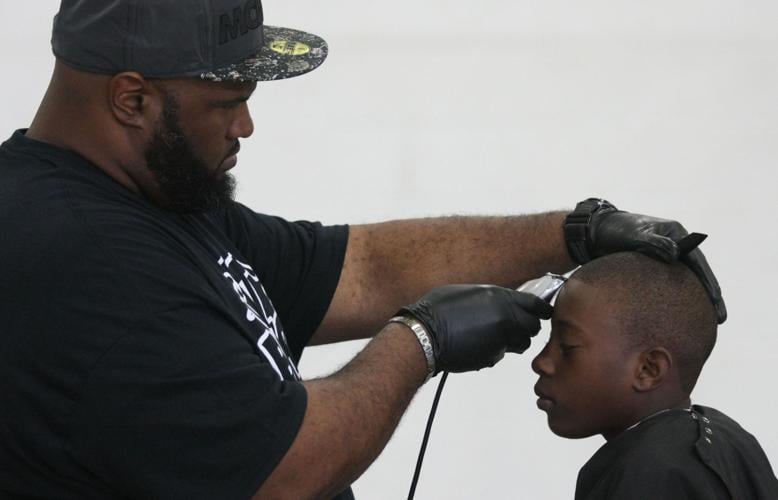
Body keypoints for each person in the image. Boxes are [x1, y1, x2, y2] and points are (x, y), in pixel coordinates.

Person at [0, 1, 725, 499]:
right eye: (226, 103)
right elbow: (281, 472)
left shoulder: (154, 199)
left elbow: (361, 268)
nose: (246, 126)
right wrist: (421, 340)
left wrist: (573, 231)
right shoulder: (83, 260)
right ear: (132, 99)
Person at [532, 252, 776, 499]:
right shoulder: (729, 438)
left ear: (649, 370)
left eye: (567, 346)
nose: (540, 362)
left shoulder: (647, 477)